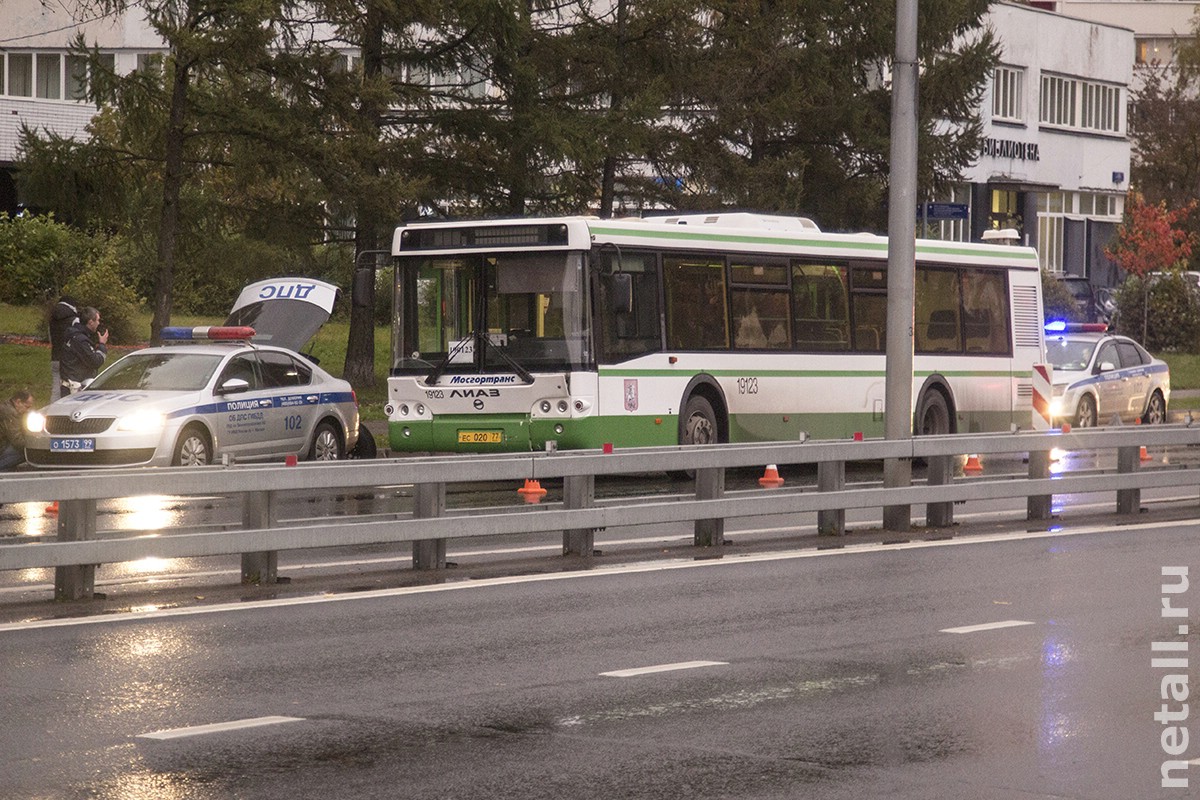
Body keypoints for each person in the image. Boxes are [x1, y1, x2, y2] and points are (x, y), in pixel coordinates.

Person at [60, 306, 109, 394]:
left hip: (69, 384)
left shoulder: (73, 334)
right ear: (90, 322)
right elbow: (94, 362)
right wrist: (102, 345)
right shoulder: (80, 340)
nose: (98, 323)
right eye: (97, 320)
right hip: (74, 388)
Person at [49, 295, 79, 401]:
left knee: (56, 387)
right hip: (69, 360)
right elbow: (77, 340)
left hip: (55, 357)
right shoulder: (74, 319)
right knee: (73, 387)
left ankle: (53, 410)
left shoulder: (52, 318)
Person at [0, 389, 34, 471]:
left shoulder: (7, 406)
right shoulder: (10, 413)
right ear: (18, 402)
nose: (27, 410)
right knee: (28, 453)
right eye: (27, 407)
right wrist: (34, 444)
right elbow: (17, 440)